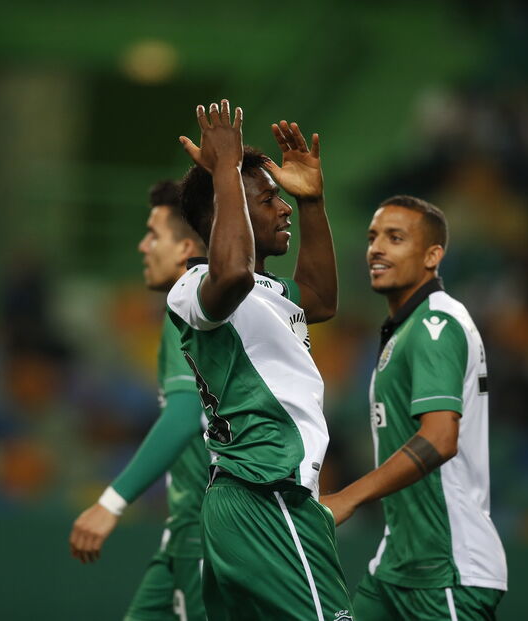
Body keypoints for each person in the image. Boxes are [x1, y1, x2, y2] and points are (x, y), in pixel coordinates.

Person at [168, 100, 353, 620]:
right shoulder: (194, 286)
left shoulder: (268, 289)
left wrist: (313, 202)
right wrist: (225, 170)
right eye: (268, 198)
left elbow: (320, 297)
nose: (284, 207)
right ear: (225, 209)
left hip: (252, 500)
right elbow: (232, 274)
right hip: (266, 494)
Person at [321, 196, 507, 620]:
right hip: (399, 562)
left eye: (395, 238)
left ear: (432, 255)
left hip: (447, 568)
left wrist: (349, 497)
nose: (377, 248)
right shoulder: (408, 327)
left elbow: (440, 439)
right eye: (373, 237)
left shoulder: (434, 324)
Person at [69, 180, 210, 620]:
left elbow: (186, 414)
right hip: (186, 532)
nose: (142, 245)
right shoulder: (202, 311)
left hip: (207, 535)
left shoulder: (186, 314)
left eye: (154, 235)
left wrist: (111, 503)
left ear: (186, 247)